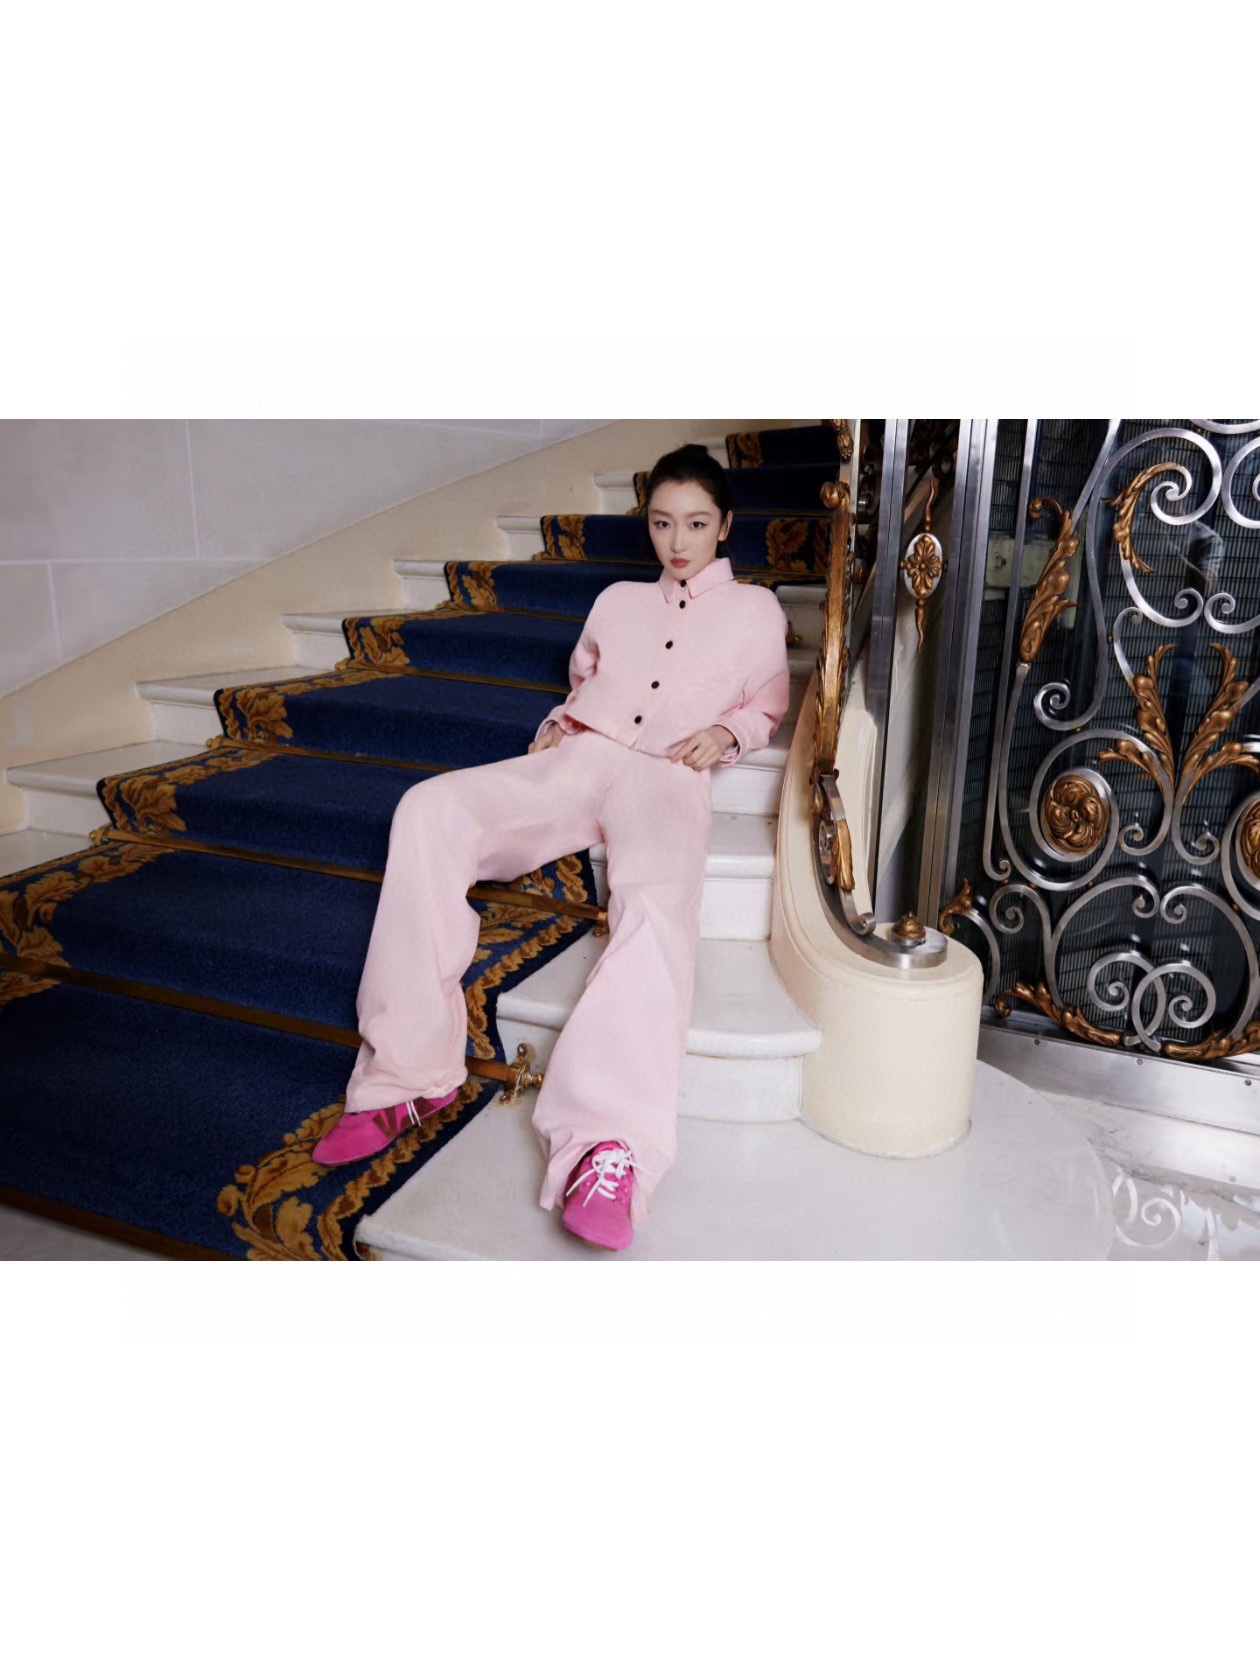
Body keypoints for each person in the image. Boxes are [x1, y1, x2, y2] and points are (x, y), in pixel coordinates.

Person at [312, 442, 792, 1251]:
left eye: (695, 523)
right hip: (581, 759)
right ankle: (407, 1076)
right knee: (430, 807)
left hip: (669, 774)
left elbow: (769, 699)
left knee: (655, 908)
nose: (677, 541)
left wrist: (730, 732)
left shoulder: (756, 611)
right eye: (662, 522)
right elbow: (584, 682)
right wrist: (555, 725)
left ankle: (607, 1144)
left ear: (725, 526)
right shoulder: (616, 600)